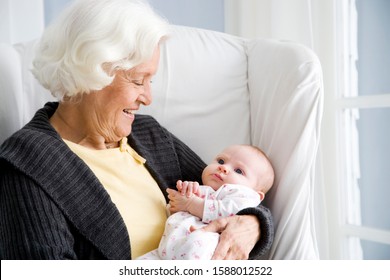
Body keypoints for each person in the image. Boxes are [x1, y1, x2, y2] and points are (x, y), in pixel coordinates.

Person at [0, 0, 273, 260]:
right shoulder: (27, 163)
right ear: (91, 72)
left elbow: (230, 193)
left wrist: (253, 223)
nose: (147, 97)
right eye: (138, 80)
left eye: (150, 80)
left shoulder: (148, 134)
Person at [138, 144, 274, 260]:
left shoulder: (243, 196)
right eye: (221, 161)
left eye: (239, 171)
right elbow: (173, 214)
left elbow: (230, 213)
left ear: (257, 195)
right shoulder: (202, 190)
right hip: (165, 250)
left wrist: (191, 204)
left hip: (201, 251)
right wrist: (178, 202)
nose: (223, 167)